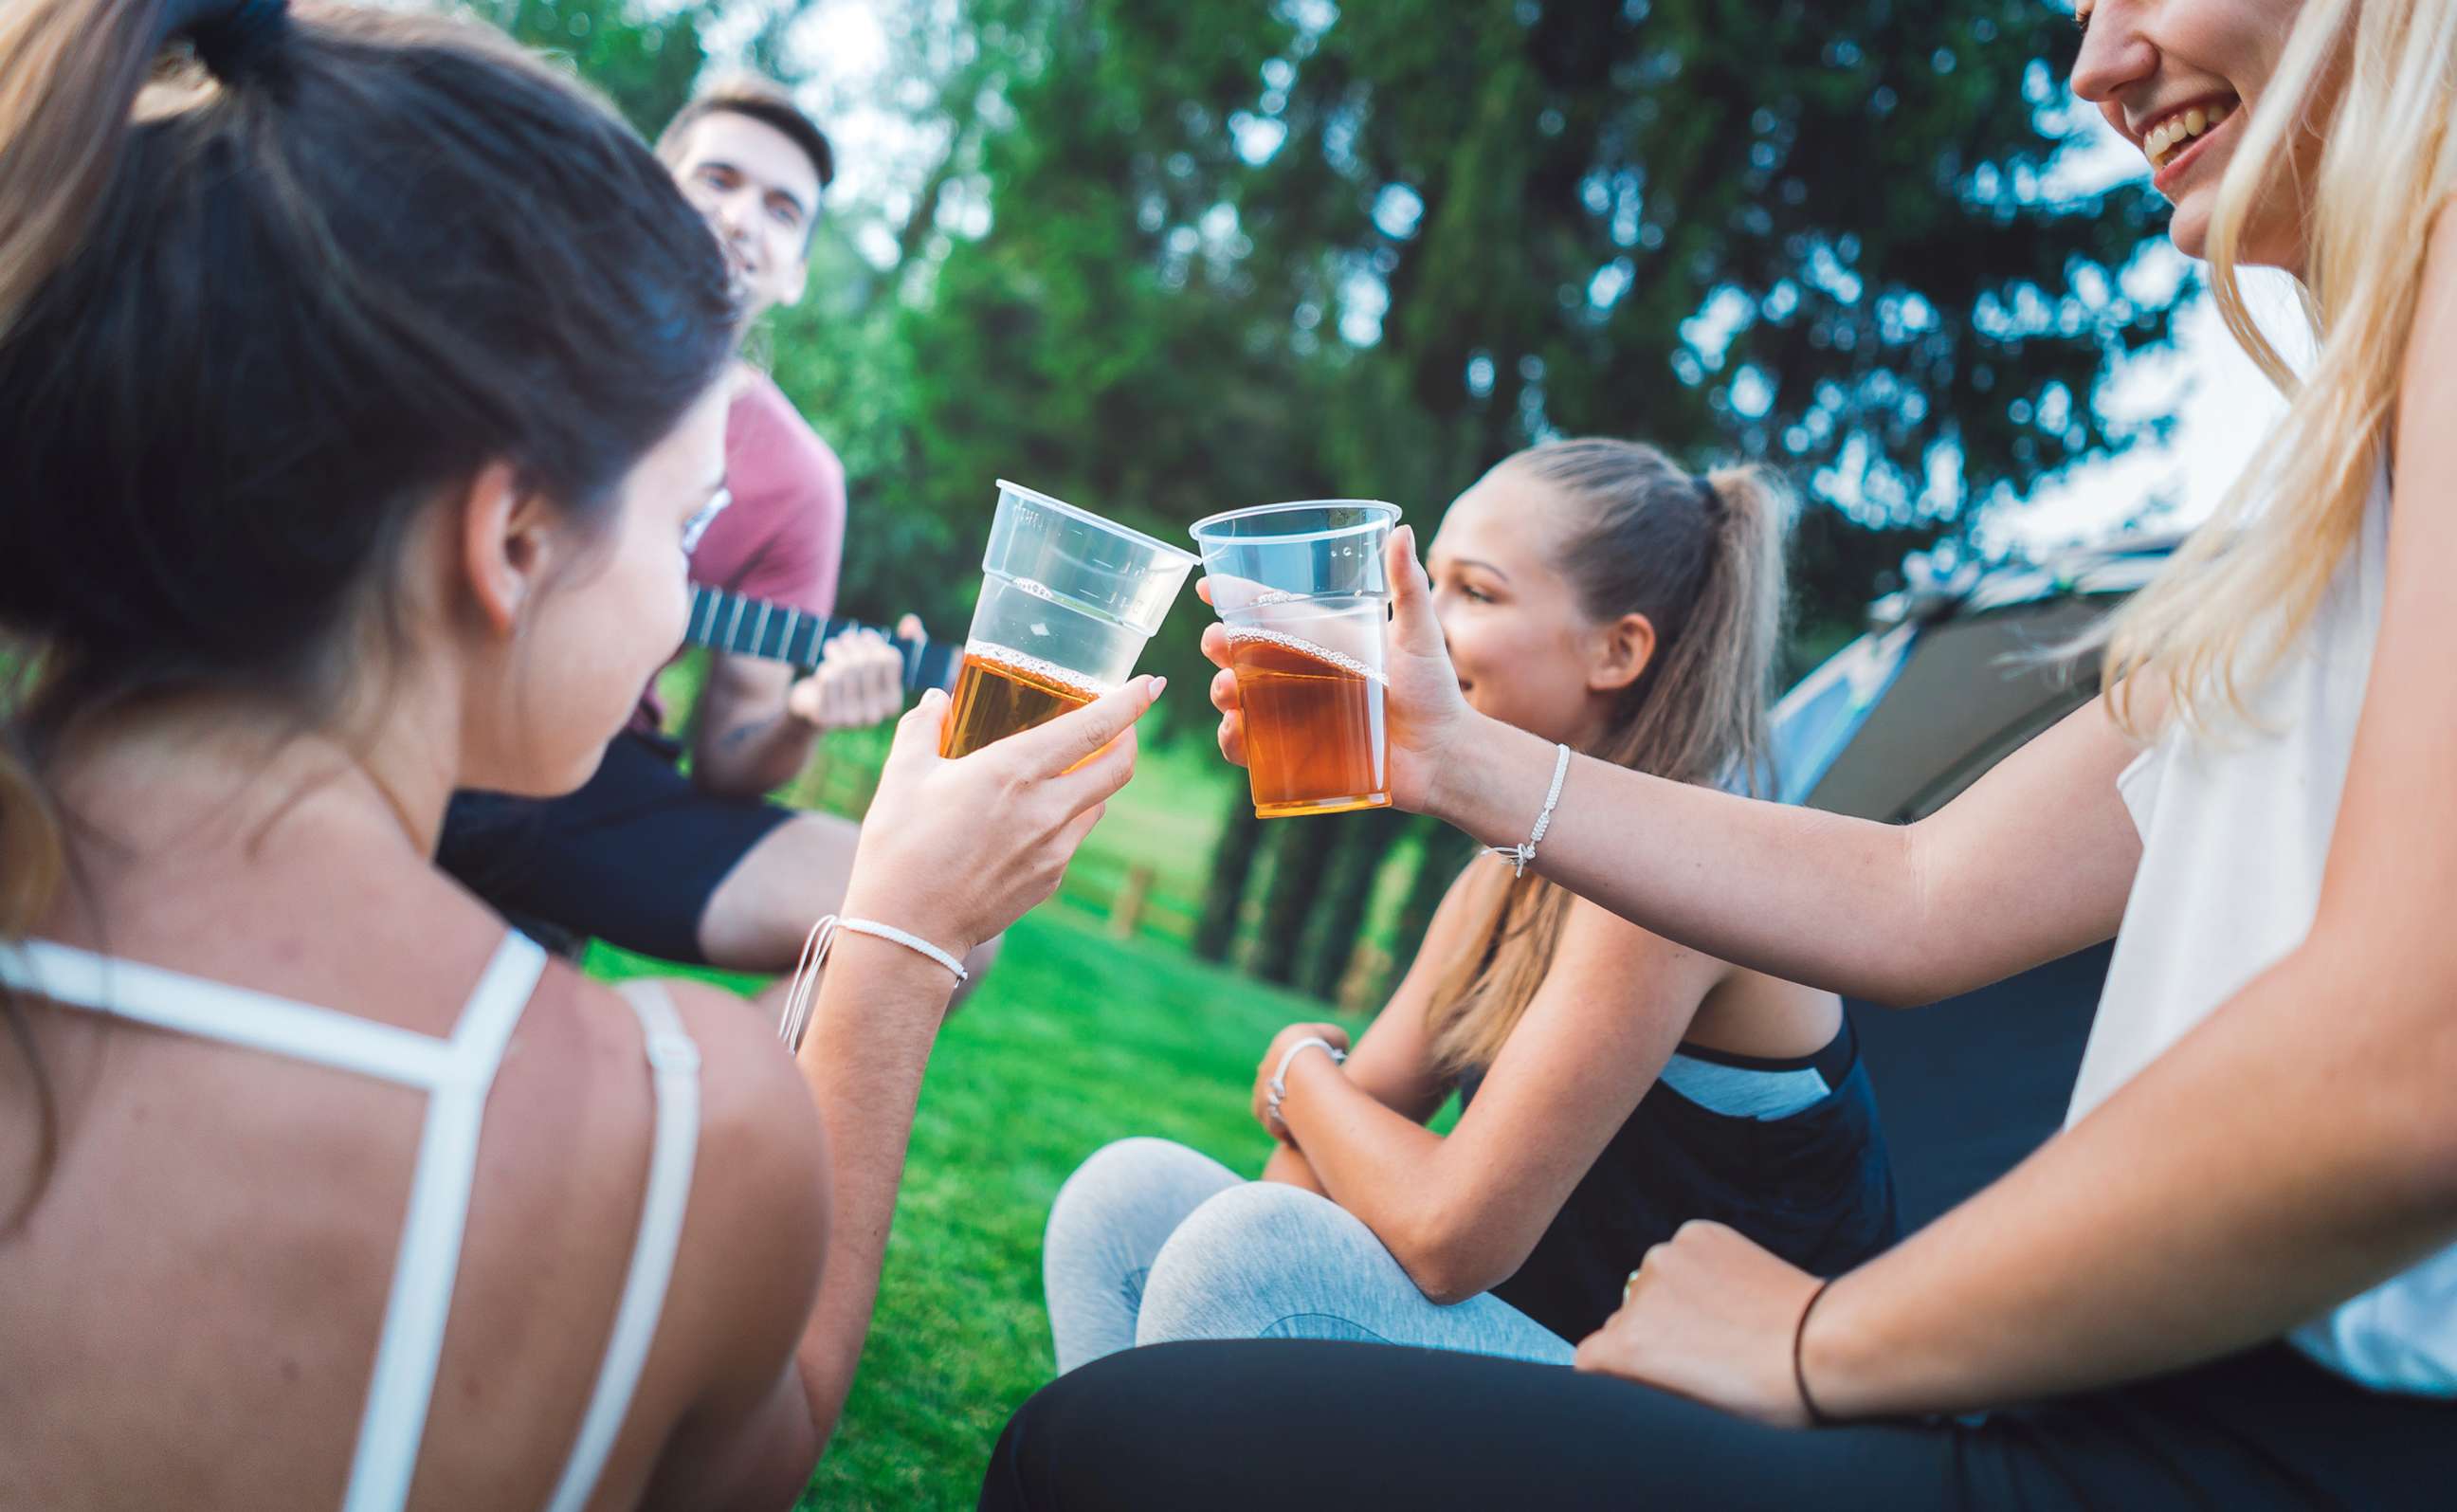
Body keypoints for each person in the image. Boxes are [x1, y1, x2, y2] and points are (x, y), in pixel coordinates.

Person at [980, 0, 2457, 1504]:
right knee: (1145, 1222)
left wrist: (1821, 1335)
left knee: (1128, 1412)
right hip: (2115, 1391)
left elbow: (2408, 1071)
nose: (2092, 63)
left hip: (2264, 1435)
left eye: (1479, 594)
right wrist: (1446, 762)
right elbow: (1921, 893)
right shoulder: (2335, 499)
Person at [0, 3, 1156, 1507]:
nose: (688, 582)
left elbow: (736, 744)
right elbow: (760, 1443)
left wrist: (805, 715)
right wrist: (899, 945)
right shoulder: (680, 1128)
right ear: (519, 533)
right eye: (682, 525)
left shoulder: (797, 472)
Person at [1041, 443, 1896, 1374]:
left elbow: (1451, 1237)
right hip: (1554, 1360)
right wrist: (1321, 1114)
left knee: (1249, 1254)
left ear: (1618, 650)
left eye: (1474, 593)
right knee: (1128, 1197)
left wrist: (1298, 1069)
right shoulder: (1503, 873)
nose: (1419, 623)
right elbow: (1302, 1180)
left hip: (1715, 1427)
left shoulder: (1676, 885)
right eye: (1421, 581)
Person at [436, 74, 952, 979]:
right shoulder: (495, 322)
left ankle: (697, 1115)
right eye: (717, 179)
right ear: (648, 189)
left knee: (938, 916)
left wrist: (802, 716)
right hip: (405, 695)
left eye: (783, 209)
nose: (743, 217)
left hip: (584, 783)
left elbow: (730, 762)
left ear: (796, 272)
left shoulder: (799, 480)